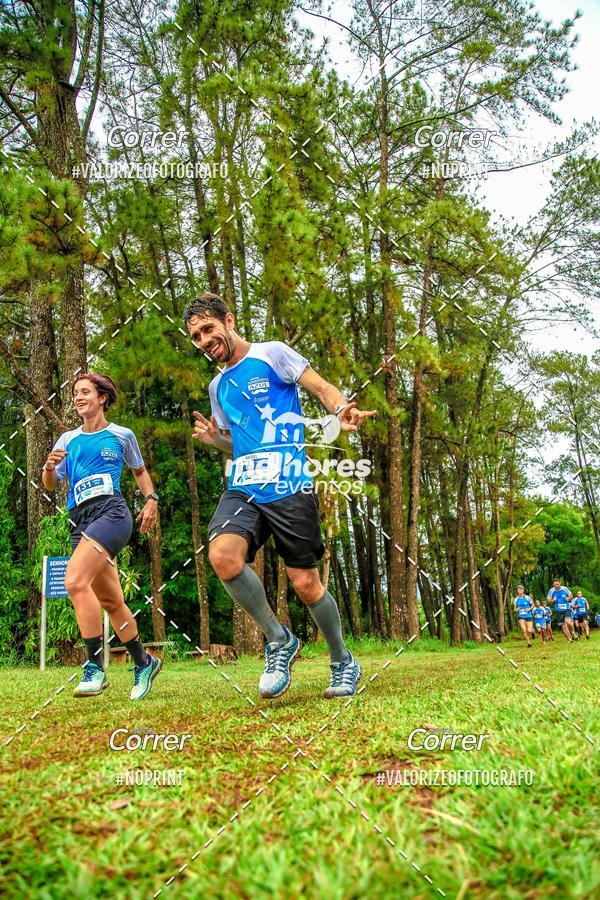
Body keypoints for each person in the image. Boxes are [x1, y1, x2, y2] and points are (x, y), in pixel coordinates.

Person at [184, 293, 376, 699]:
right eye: (196, 336)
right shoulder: (217, 386)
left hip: (289, 482)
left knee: (305, 582)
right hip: (245, 484)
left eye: (208, 330)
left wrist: (341, 409)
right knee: (222, 555)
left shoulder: (272, 353)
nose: (204, 340)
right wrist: (213, 439)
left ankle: (342, 661)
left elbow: (322, 387)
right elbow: (237, 442)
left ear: (228, 321)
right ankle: (278, 639)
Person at [42, 373, 162, 700]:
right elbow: (50, 484)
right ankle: (143, 661)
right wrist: (50, 469)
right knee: (111, 600)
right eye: (75, 393)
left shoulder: (121, 435)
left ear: (102, 397)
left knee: (74, 581)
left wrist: (151, 500)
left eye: (84, 392)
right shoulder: (67, 440)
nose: (78, 397)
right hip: (79, 519)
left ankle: (93, 667)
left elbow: (139, 471)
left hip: (112, 513)